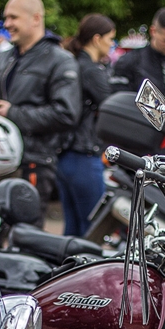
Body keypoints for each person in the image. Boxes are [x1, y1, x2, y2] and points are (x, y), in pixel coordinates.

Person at [0, 0, 81, 230]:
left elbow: (67, 113)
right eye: (6, 18)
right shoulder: (2, 58)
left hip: (33, 164)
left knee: (24, 238)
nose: (7, 24)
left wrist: (14, 114)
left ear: (36, 18)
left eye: (13, 17)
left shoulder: (60, 60)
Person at [57, 14, 115, 236]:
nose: (112, 44)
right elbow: (111, 106)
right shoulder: (91, 70)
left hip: (66, 157)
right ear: (97, 39)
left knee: (72, 231)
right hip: (84, 156)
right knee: (92, 232)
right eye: (110, 39)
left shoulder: (72, 64)